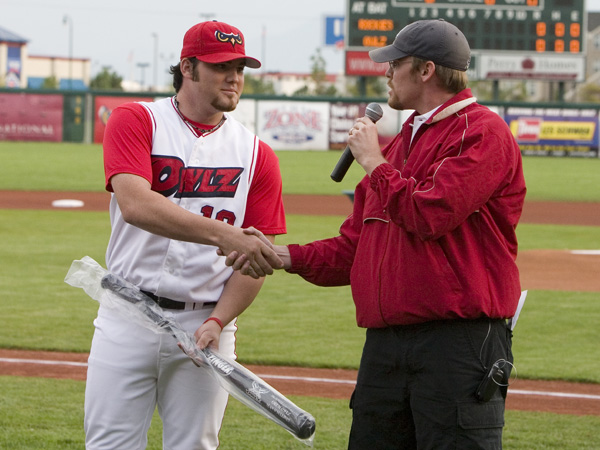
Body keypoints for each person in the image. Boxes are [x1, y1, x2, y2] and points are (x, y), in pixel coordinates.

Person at [229, 19, 526, 449]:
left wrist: (374, 162)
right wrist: (280, 255)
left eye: (395, 63)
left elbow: (430, 214)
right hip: (386, 348)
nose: (385, 72)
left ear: (426, 70)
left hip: (456, 345)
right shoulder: (403, 141)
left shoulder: (482, 132)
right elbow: (355, 247)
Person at [85, 21, 286, 450]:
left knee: (194, 446)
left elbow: (255, 261)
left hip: (206, 322)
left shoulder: (257, 155)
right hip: (127, 312)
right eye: (221, 66)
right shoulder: (138, 119)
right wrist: (227, 236)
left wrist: (219, 320)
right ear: (188, 68)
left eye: (240, 67)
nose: (234, 77)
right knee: (109, 445)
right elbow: (136, 204)